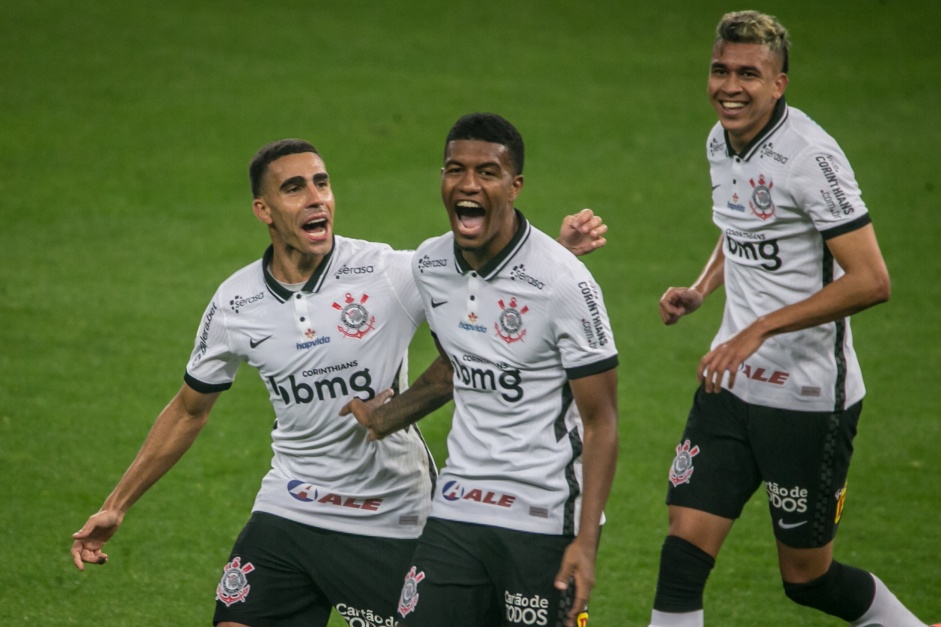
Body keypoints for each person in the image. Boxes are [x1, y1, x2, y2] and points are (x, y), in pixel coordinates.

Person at [69, 137, 609, 627]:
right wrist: (117, 503)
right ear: (264, 210)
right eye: (294, 188)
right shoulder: (235, 303)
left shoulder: (389, 273)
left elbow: (473, 335)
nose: (316, 198)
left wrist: (550, 255)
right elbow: (190, 410)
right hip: (290, 506)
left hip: (392, 518)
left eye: (322, 183)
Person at [650, 11, 932, 627]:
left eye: (748, 74)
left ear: (779, 83)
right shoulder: (719, 140)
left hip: (806, 401)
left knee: (808, 580)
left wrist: (756, 329)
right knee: (681, 555)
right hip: (728, 388)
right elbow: (741, 230)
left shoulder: (810, 159)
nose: (730, 86)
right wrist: (702, 291)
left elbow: (872, 280)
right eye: (720, 70)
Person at [344, 113, 619, 627]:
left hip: (544, 513)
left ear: (514, 186)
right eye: (454, 169)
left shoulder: (565, 283)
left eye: (487, 173)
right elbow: (458, 366)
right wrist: (383, 418)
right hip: (459, 506)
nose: (468, 184)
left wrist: (585, 541)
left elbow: (602, 422)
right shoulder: (430, 266)